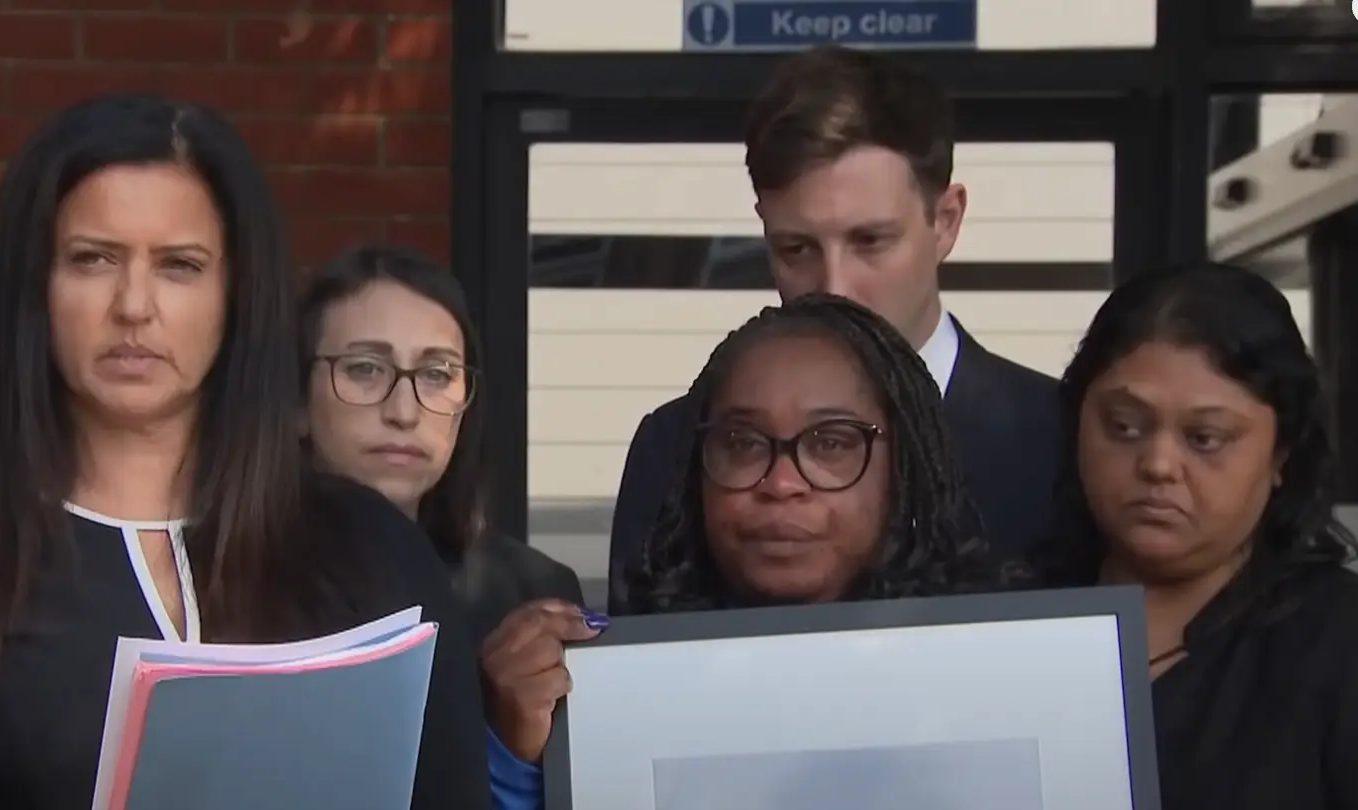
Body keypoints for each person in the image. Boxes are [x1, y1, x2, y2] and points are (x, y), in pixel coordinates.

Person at [0, 94, 491, 810]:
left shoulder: (372, 556)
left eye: (179, 266)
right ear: (35, 285)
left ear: (236, 293)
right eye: (93, 259)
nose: (133, 304)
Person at [484, 293, 1033, 808]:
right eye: (743, 443)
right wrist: (516, 766)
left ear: (905, 472)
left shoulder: (1015, 676)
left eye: (833, 442)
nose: (781, 482)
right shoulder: (586, 689)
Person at [607, 46, 1061, 610]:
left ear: (946, 221)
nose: (834, 286)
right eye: (797, 248)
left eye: (870, 242)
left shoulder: (1061, 440)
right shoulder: (674, 445)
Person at [1035, 262, 1358, 810]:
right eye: (1124, 427)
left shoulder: (1339, 647)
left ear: (1281, 453)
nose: (1159, 465)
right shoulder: (1003, 620)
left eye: (1205, 438)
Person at [296, 244, 584, 639]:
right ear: (296, 401)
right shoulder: (210, 584)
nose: (404, 412)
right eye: (365, 368)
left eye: (436, 374)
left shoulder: (529, 594)